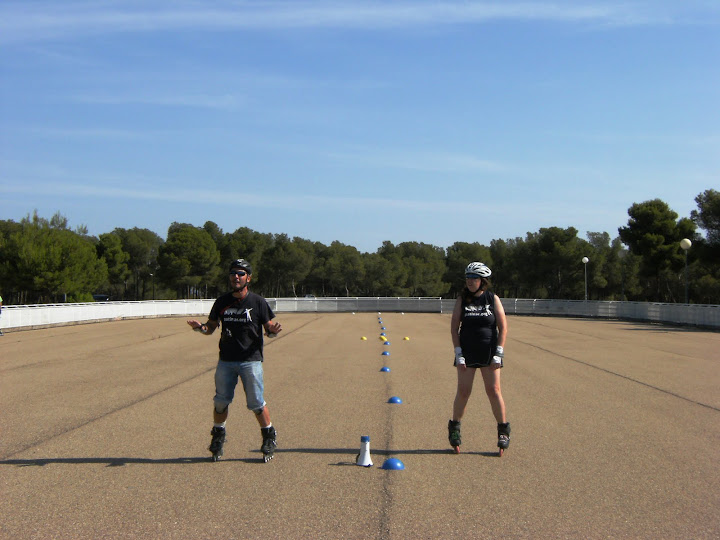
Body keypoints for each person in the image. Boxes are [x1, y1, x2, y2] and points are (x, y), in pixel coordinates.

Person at [187, 258, 282, 462]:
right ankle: (218, 437)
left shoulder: (258, 302)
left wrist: (273, 331)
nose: (236, 277)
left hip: (251, 361)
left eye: (240, 274)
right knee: (220, 402)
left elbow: (269, 329)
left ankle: (269, 436)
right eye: (233, 273)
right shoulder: (222, 302)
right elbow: (211, 327)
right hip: (226, 361)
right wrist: (200, 328)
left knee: (256, 403)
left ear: (249, 278)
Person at [448, 262, 510, 455]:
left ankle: (503, 431)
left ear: (482, 281)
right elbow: (454, 328)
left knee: (494, 391)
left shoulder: (492, 298)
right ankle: (455, 428)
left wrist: (499, 353)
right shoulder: (462, 300)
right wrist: (458, 353)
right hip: (467, 352)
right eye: (468, 278)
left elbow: (503, 328)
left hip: (489, 352)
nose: (470, 281)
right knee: (463, 391)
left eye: (474, 278)